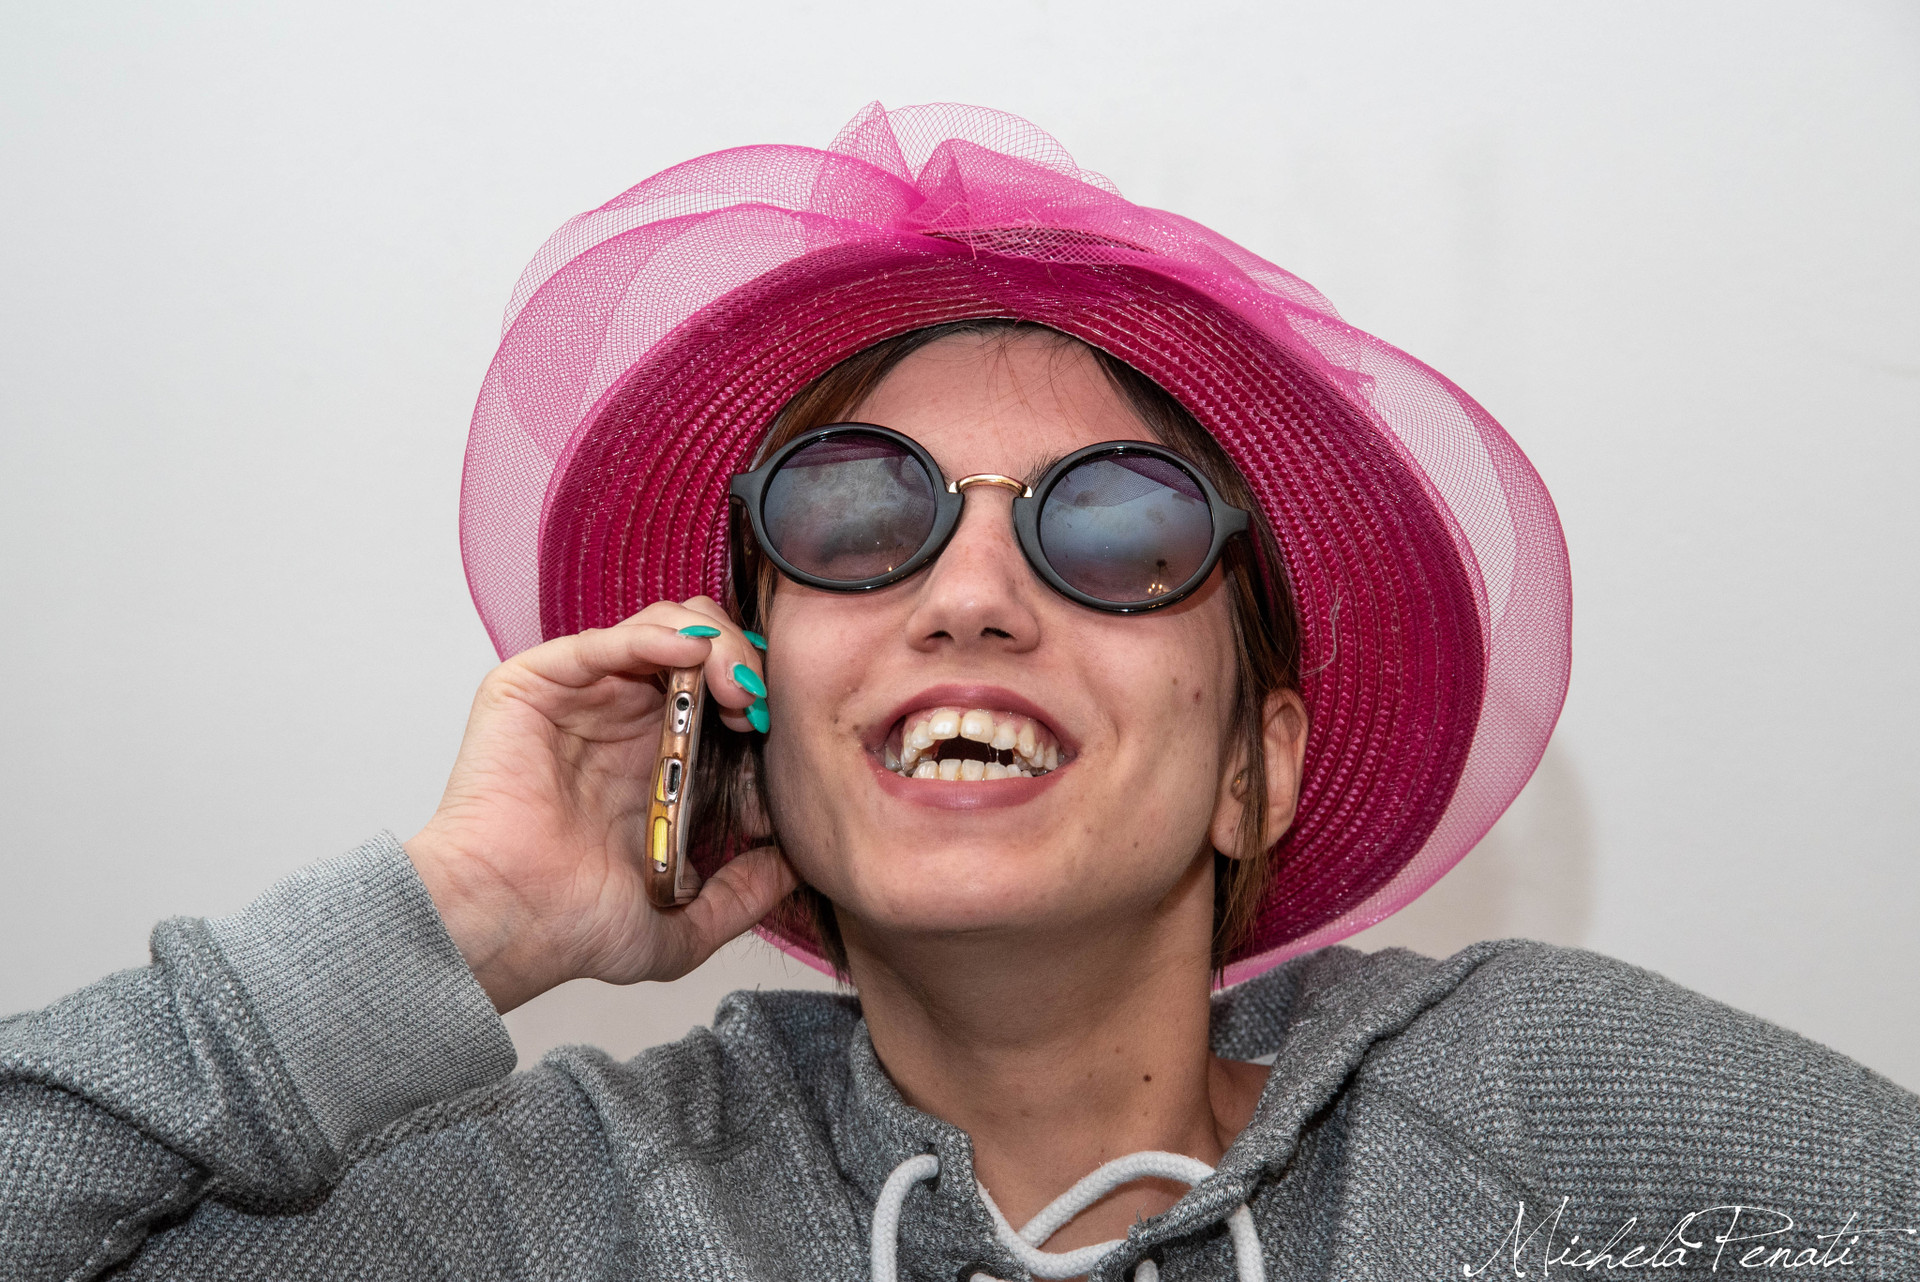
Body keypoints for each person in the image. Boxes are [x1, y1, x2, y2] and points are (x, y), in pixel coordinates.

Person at [3, 103, 1915, 1282]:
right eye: (859, 517)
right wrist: (458, 917)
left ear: (1257, 765)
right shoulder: (553, 1213)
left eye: (1119, 527)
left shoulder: (1547, 1113)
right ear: (743, 708)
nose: (977, 595)